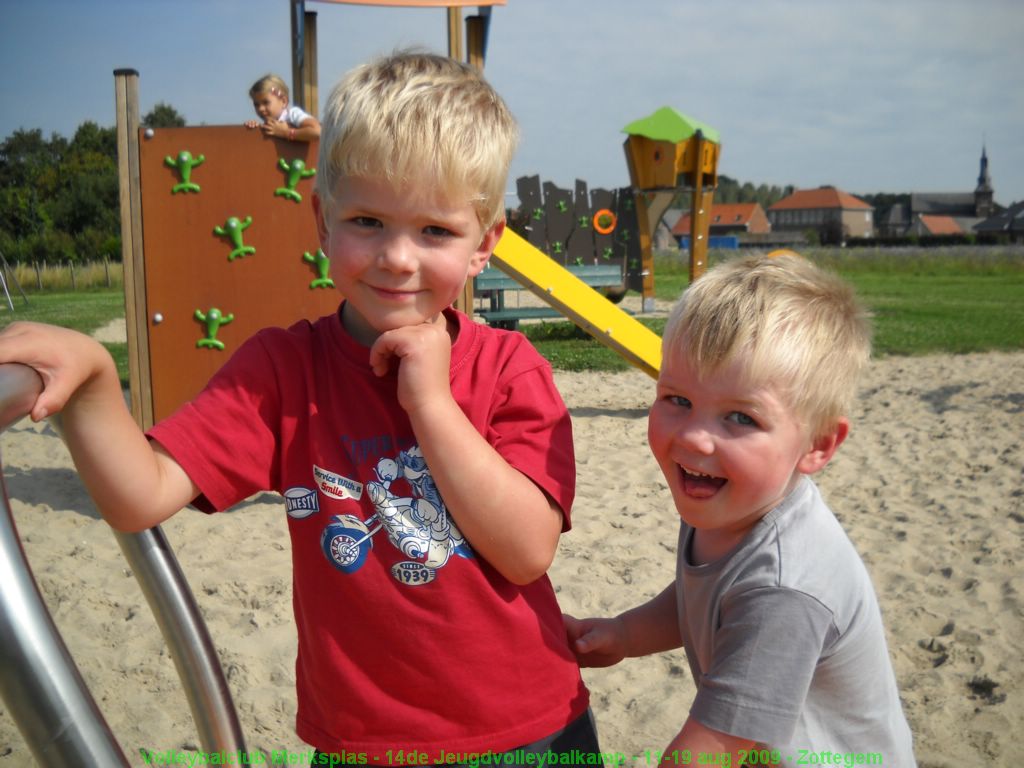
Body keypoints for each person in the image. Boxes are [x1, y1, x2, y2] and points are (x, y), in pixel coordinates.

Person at [0, 51, 598, 764]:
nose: (398, 258)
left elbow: (528, 551)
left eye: (435, 231)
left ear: (484, 244)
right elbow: (141, 496)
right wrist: (97, 382)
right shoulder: (284, 371)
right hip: (359, 742)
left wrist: (430, 404)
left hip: (526, 731)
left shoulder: (508, 370)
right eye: (369, 221)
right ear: (322, 219)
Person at [565, 253, 916, 766]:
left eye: (740, 417)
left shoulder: (784, 589)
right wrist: (625, 633)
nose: (693, 436)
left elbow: (709, 751)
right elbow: (703, 595)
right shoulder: (732, 506)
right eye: (677, 400)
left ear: (818, 444)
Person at [245, 73, 321, 141]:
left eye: (266, 102)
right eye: (256, 104)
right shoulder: (268, 124)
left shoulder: (292, 114)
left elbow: (317, 131)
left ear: (283, 101)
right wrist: (255, 128)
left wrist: (286, 132)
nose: (260, 109)